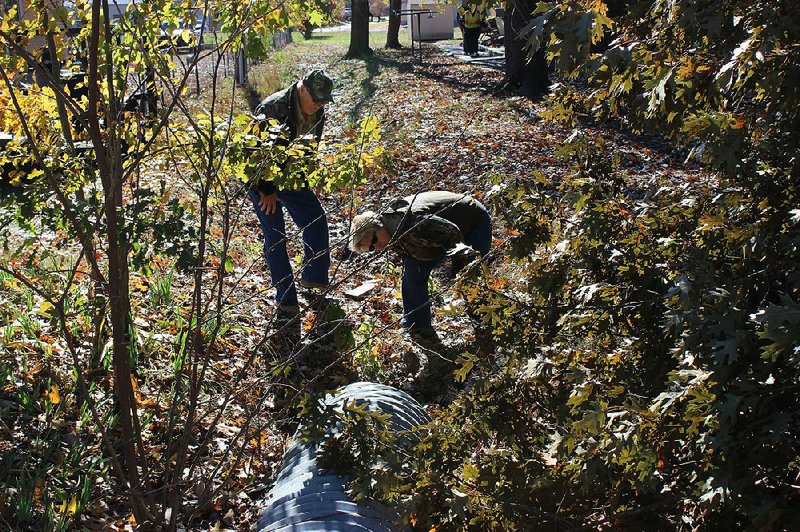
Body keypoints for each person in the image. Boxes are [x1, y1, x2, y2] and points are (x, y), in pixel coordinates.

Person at [248, 69, 334, 320]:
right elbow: (252, 152)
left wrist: (306, 174)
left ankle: (313, 279)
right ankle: (286, 300)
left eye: (322, 102)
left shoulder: (317, 108)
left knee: (316, 221)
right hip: (261, 178)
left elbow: (309, 148)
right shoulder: (273, 107)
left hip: (291, 175)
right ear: (303, 88)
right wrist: (266, 190)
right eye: (315, 99)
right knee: (275, 237)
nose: (318, 105)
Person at [349, 191, 492, 332]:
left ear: (378, 226)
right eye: (372, 248)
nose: (378, 247)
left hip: (473, 223)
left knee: (469, 275)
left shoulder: (413, 225)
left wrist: (458, 265)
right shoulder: (390, 233)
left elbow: (451, 232)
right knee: (413, 274)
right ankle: (417, 325)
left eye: (374, 240)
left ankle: (485, 319)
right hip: (436, 237)